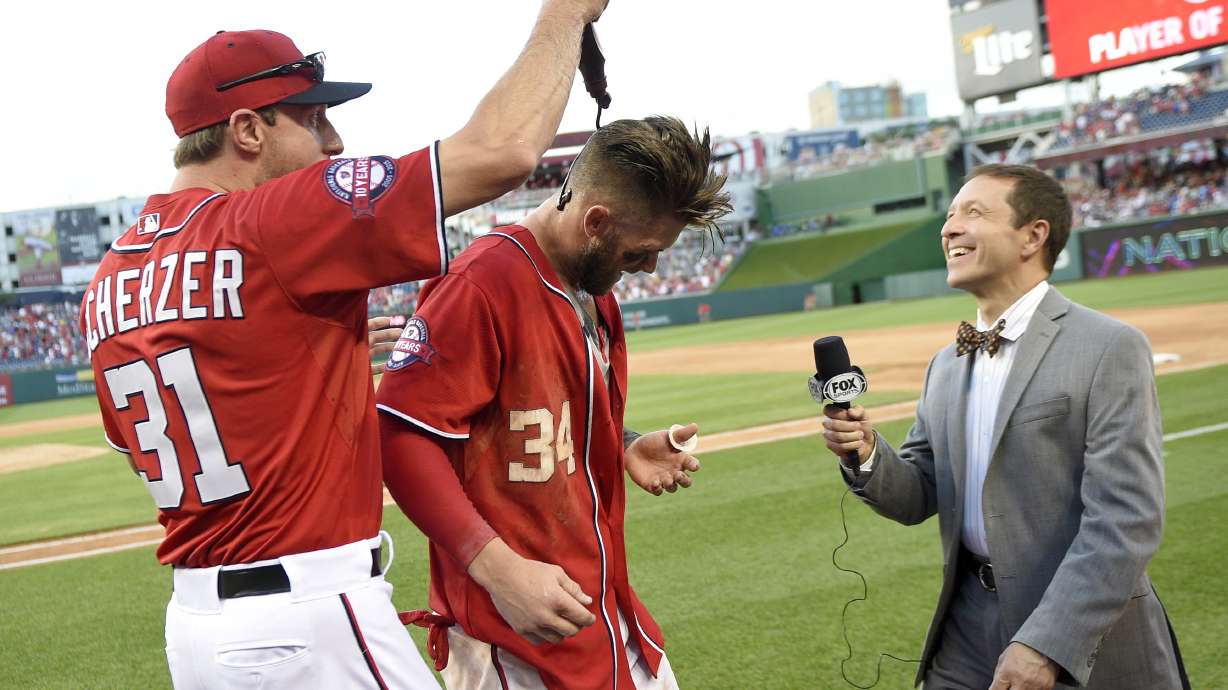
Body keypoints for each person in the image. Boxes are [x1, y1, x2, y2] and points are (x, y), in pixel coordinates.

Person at [82, 2, 608, 687]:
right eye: (310, 118)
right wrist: (565, 16)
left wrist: (285, 371)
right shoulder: (268, 219)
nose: (333, 140)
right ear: (246, 130)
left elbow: (145, 443)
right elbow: (501, 151)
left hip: (198, 633)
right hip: (309, 619)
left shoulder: (111, 276)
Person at [375, 116, 732, 689]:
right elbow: (399, 436)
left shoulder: (591, 287)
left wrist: (625, 444)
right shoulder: (481, 285)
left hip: (607, 619)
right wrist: (499, 570)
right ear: (596, 222)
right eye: (642, 252)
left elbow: (540, 420)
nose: (650, 267)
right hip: (517, 641)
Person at [820, 164, 1188, 690]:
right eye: (949, 216)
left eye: (974, 212)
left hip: (1079, 634)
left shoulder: (1109, 347)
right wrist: (866, 452)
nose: (949, 228)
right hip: (965, 625)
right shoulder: (944, 364)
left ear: (1033, 236)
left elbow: (1126, 518)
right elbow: (918, 493)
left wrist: (1047, 642)